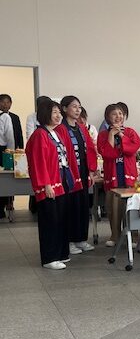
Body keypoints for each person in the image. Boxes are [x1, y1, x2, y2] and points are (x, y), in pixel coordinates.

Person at [25, 99, 81, 269]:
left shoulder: (55, 133)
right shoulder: (40, 134)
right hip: (49, 184)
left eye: (58, 112)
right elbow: (38, 162)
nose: (58, 116)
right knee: (50, 220)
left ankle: (61, 253)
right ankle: (50, 258)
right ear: (45, 114)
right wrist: (46, 184)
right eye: (54, 112)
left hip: (61, 182)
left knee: (61, 219)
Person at [97, 103, 140, 247]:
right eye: (114, 114)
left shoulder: (130, 132)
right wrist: (111, 134)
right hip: (113, 176)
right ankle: (115, 235)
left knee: (131, 208)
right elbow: (107, 154)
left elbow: (132, 149)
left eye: (120, 113)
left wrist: (121, 135)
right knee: (113, 208)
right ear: (108, 117)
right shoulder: (103, 135)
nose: (118, 117)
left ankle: (134, 236)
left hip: (128, 175)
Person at [60, 96, 98, 254]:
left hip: (83, 172)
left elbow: (90, 149)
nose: (77, 110)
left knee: (83, 206)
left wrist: (92, 170)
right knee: (71, 207)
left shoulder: (82, 128)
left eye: (79, 107)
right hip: (69, 174)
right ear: (64, 109)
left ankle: (81, 239)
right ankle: (69, 241)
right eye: (74, 106)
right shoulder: (61, 128)